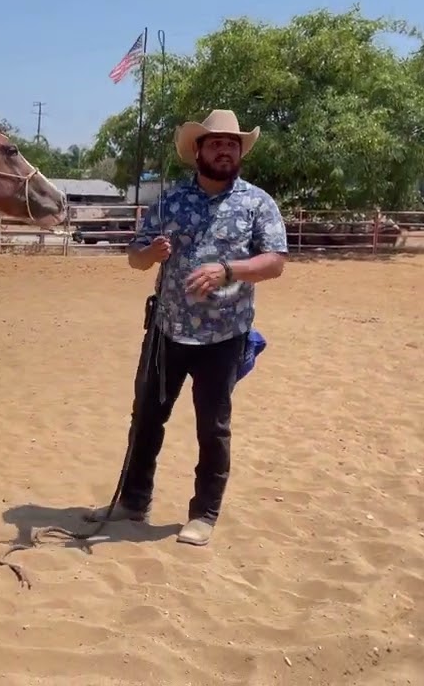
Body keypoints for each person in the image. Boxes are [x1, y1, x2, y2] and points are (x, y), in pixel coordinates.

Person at [86, 109, 289, 547]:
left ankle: (204, 514)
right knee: (146, 419)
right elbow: (135, 257)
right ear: (198, 151)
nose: (224, 150)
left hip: (224, 336)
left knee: (212, 428)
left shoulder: (257, 203)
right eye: (215, 143)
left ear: (240, 153)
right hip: (166, 331)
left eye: (231, 144)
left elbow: (275, 262)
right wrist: (150, 254)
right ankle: (132, 501)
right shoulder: (169, 202)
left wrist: (228, 270)